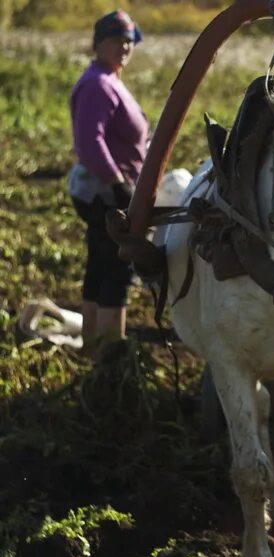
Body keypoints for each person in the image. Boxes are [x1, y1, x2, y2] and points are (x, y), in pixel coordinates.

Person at [67, 9, 148, 355]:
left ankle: (93, 345)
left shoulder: (108, 77)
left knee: (101, 263)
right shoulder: (98, 84)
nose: (124, 47)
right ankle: (111, 351)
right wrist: (118, 184)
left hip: (106, 190)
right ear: (98, 43)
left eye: (129, 41)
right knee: (117, 265)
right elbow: (90, 143)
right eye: (116, 40)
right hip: (104, 193)